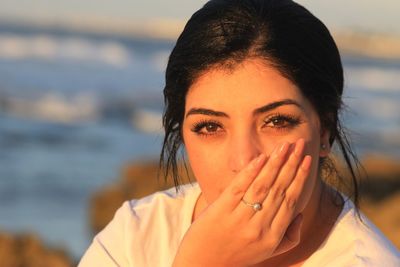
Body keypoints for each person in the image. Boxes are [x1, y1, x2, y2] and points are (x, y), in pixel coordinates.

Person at [79, 0, 400, 266]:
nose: (243, 159)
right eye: (210, 126)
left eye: (276, 121)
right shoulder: (136, 236)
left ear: (325, 130)